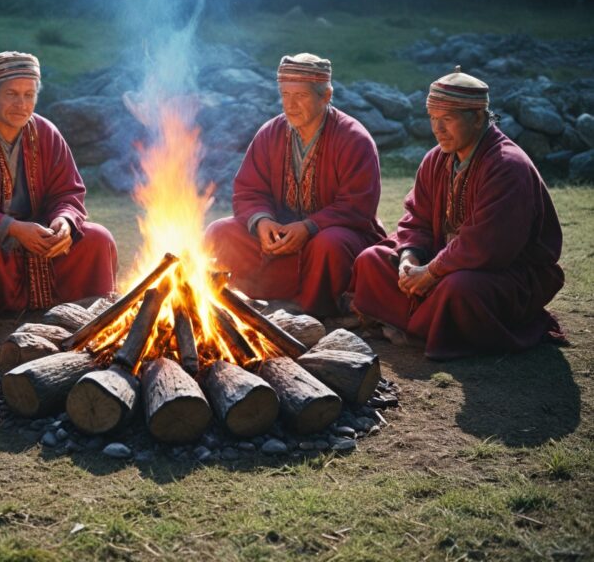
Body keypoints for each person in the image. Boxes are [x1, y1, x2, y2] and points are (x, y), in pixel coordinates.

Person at [349, 68, 566, 359]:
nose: (437, 130)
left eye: (447, 120)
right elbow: (417, 219)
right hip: (445, 258)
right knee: (371, 261)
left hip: (504, 271)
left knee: (458, 289)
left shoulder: (506, 166)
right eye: (433, 119)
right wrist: (409, 259)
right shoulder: (435, 159)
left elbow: (488, 246)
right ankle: (423, 324)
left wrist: (432, 271)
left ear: (477, 118)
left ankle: (417, 326)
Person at [0, 51, 118, 328]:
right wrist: (14, 229)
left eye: (29, 95)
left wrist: (63, 221)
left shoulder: (47, 133)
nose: (21, 104)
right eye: (11, 94)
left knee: (97, 238)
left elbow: (68, 192)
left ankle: (90, 317)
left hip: (40, 238)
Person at [205, 53, 385, 316]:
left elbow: (358, 205)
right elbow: (249, 189)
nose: (290, 105)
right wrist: (262, 222)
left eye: (300, 96)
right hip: (278, 238)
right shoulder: (270, 133)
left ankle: (312, 307)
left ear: (325, 96)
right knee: (219, 232)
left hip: (330, 238)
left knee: (329, 245)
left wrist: (308, 227)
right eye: (285, 94)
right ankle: (248, 298)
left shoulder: (354, 139)